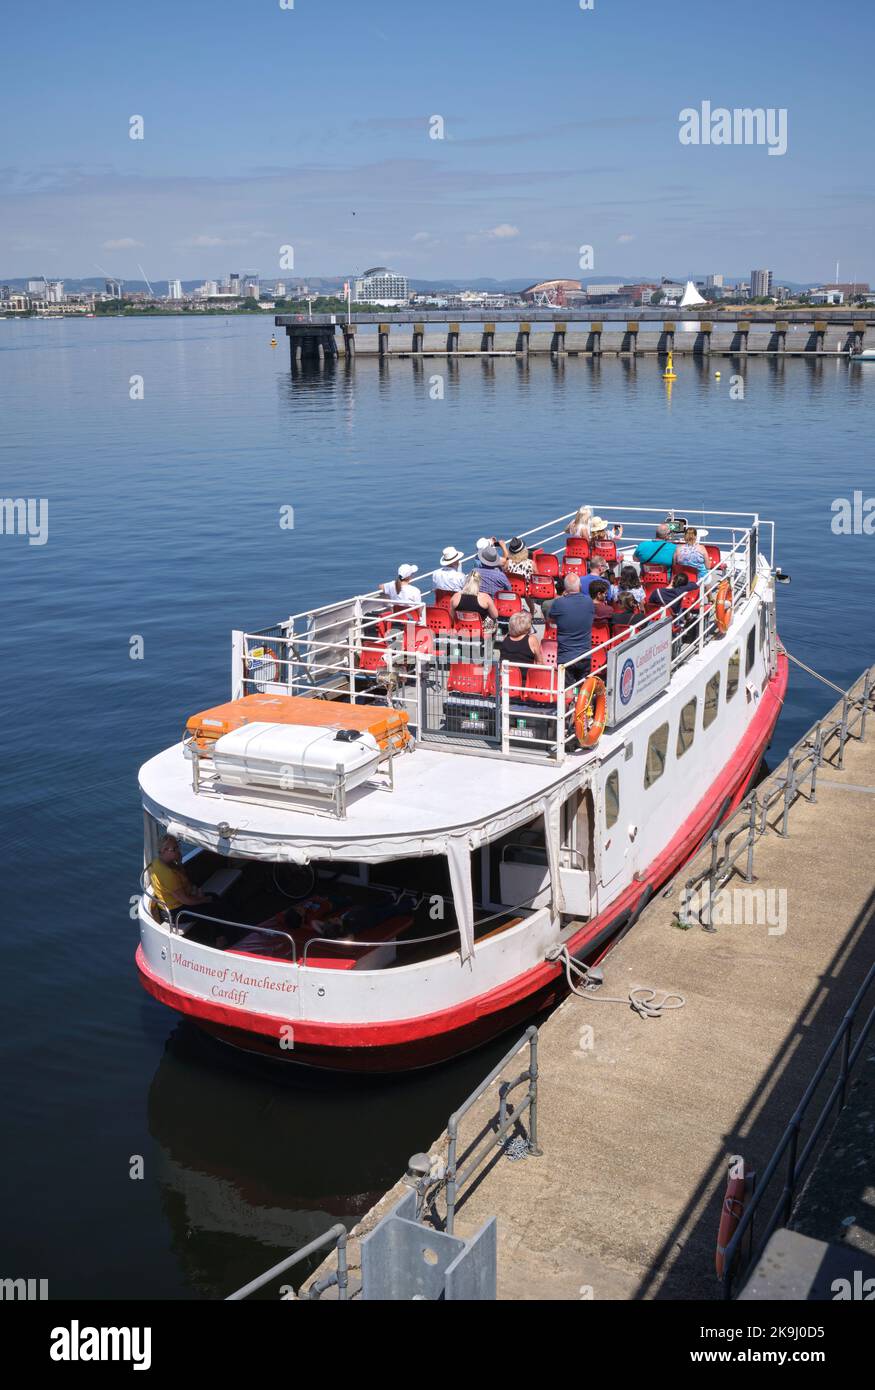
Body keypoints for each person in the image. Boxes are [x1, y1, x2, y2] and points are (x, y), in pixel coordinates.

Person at [148, 834, 214, 923]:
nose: (178, 851)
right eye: (174, 849)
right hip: (176, 912)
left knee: (214, 898)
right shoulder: (167, 874)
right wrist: (203, 900)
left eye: (178, 846)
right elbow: (185, 900)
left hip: (181, 901)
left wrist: (179, 863)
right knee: (213, 908)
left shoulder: (158, 862)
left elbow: (183, 878)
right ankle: (221, 936)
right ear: (164, 850)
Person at [549, 572, 596, 683]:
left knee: (566, 693)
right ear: (579, 586)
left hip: (565, 657)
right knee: (583, 693)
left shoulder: (559, 603)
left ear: (565, 588)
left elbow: (550, 620)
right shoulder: (589, 602)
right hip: (584, 655)